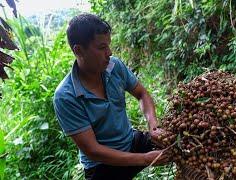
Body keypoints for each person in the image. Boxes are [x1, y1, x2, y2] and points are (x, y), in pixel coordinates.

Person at [53, 13, 168, 180]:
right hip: (102, 166)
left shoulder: (114, 66)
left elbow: (142, 94)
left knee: (181, 144)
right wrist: (144, 158)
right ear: (78, 50)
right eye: (101, 47)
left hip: (130, 143)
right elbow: (93, 151)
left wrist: (154, 127)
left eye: (109, 45)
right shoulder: (66, 96)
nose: (109, 52)